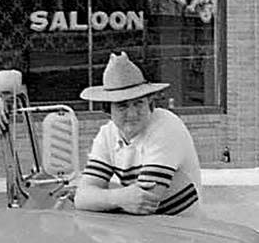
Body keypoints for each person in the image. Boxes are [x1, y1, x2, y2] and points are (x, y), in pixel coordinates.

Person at [73, 52, 201, 216]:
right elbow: (82, 198)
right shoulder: (107, 134)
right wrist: (120, 197)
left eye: (138, 103)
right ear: (108, 110)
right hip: (140, 231)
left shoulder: (166, 126)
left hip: (185, 233)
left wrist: (101, 198)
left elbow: (145, 201)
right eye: (122, 106)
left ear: (150, 103)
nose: (132, 114)